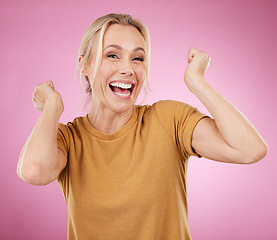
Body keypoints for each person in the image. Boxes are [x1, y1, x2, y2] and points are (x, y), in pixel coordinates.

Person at [17, 13, 267, 240]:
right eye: (112, 55)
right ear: (85, 64)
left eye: (137, 58)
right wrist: (51, 107)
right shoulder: (68, 139)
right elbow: (34, 171)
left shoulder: (168, 119)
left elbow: (250, 149)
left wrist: (197, 82)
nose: (128, 69)